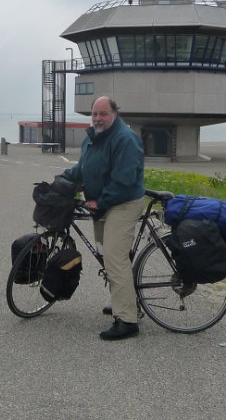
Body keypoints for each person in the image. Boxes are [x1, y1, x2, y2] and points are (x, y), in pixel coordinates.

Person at [59, 96, 145, 340]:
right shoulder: (93, 138)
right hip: (103, 205)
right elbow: (81, 169)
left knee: (114, 257)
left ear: (115, 114)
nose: (97, 118)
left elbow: (124, 181)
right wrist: (62, 180)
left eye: (103, 114)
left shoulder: (125, 139)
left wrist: (101, 202)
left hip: (123, 204)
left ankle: (127, 320)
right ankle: (124, 299)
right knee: (103, 252)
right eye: (94, 114)